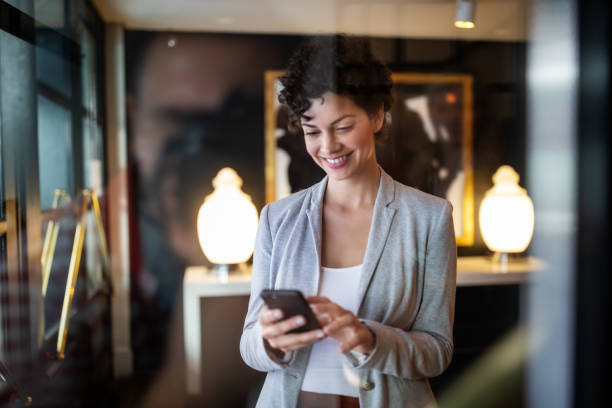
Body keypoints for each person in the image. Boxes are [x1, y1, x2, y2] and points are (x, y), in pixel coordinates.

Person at [240, 35, 457, 408]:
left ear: (376, 116)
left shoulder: (429, 218)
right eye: (312, 131)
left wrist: (370, 338)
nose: (327, 146)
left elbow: (437, 351)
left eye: (342, 127)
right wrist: (269, 341)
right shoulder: (278, 219)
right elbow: (249, 344)